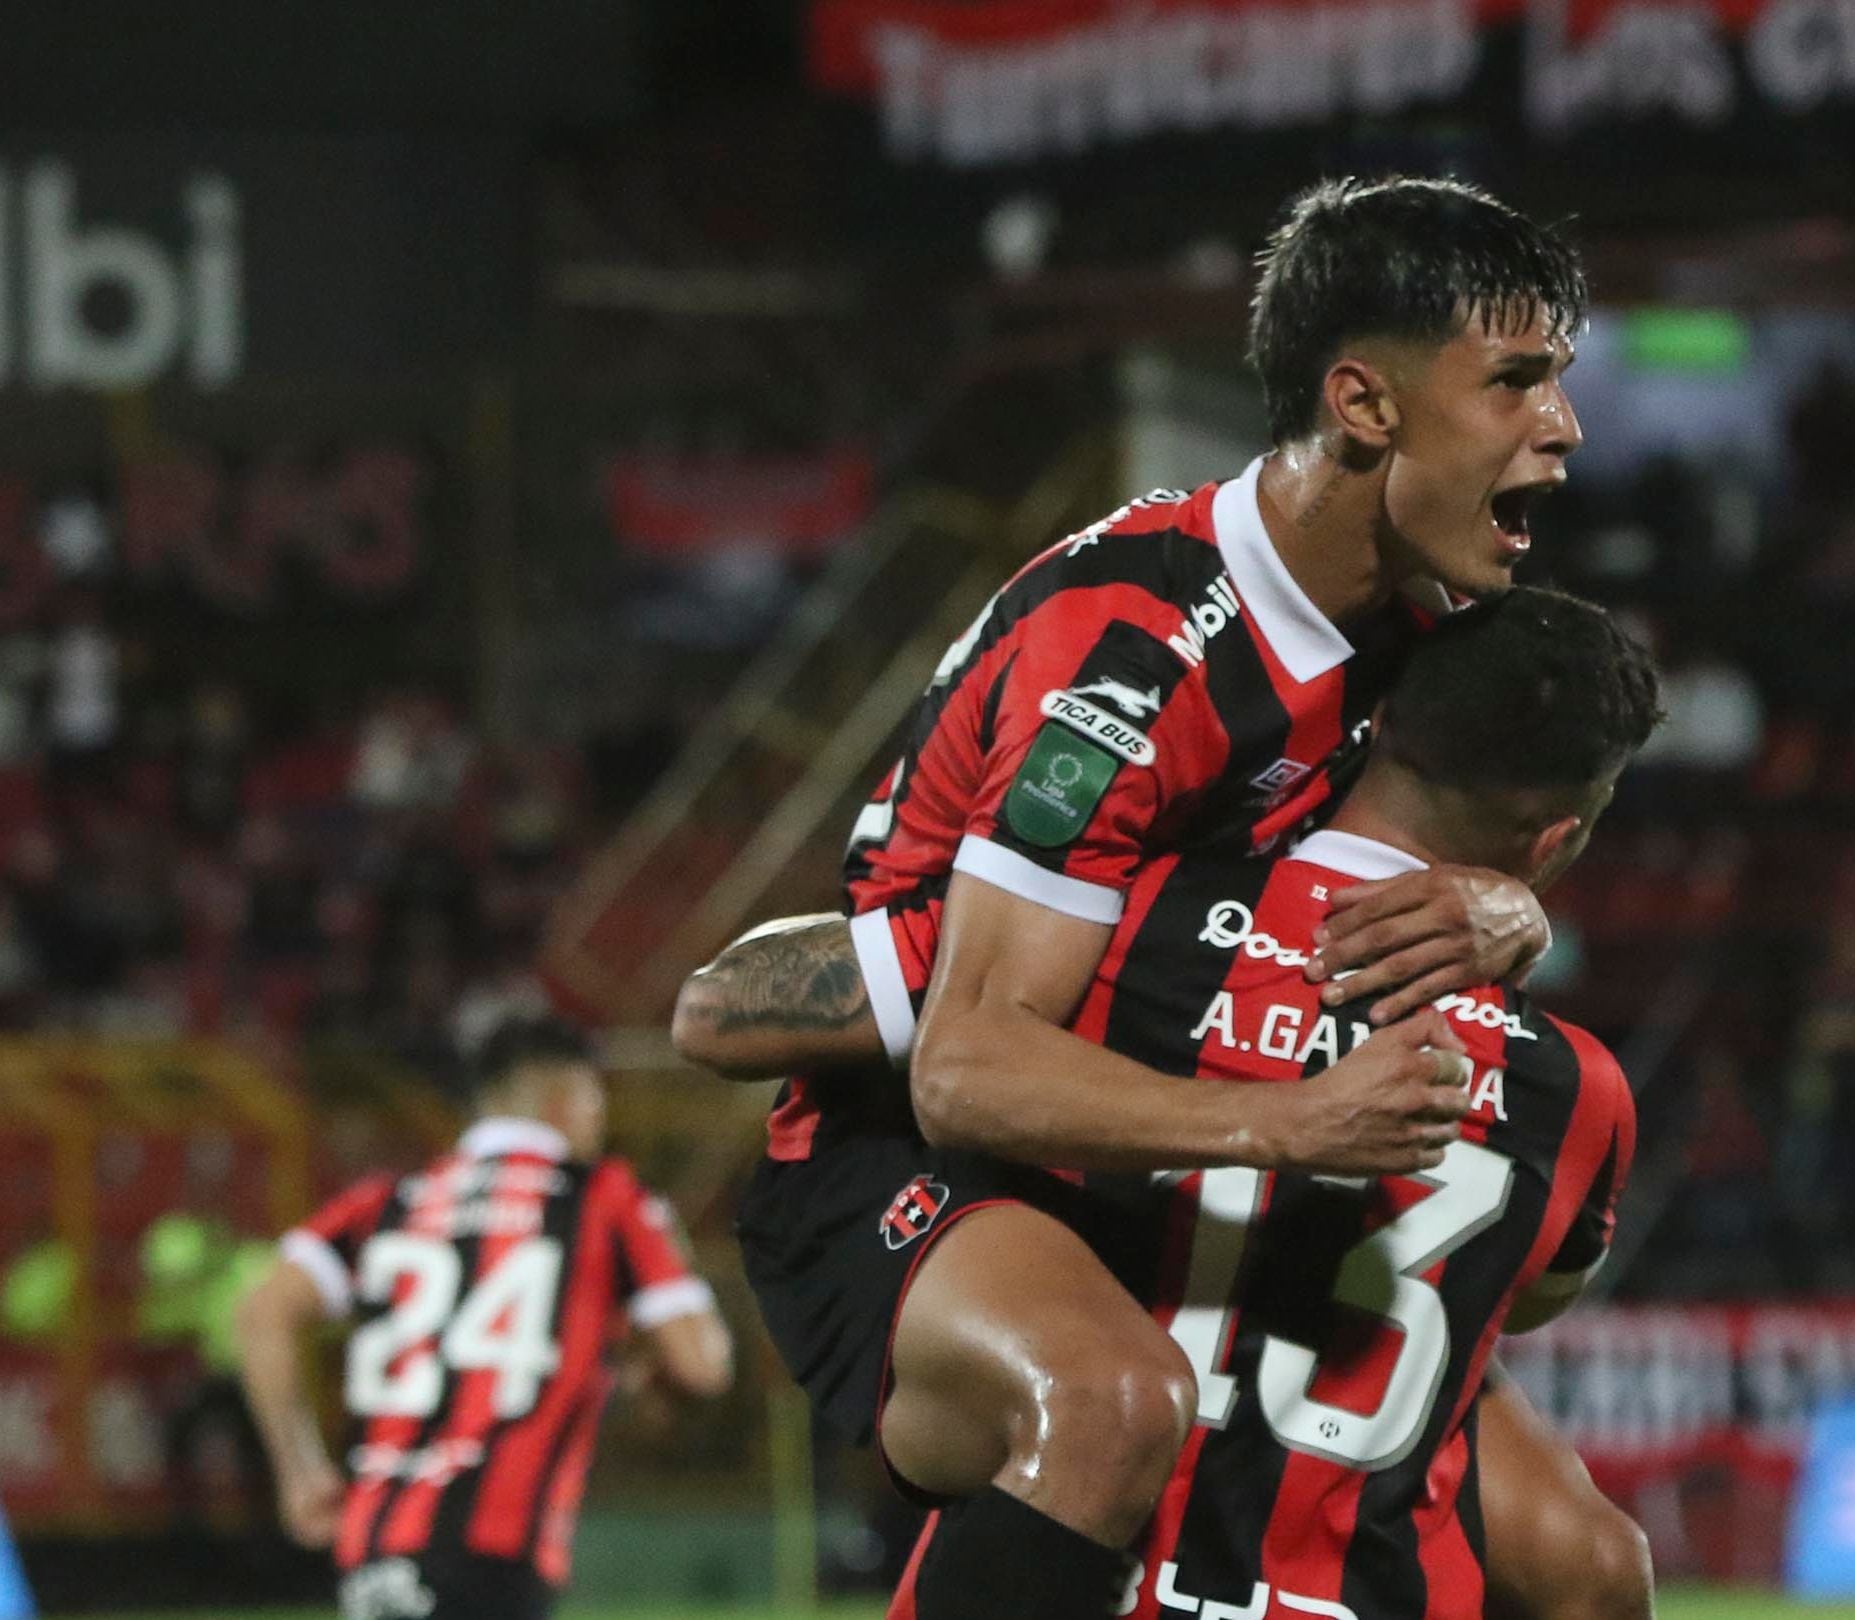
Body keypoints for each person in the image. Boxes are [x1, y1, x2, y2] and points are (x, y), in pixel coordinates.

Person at [675, 178, 1647, 1620]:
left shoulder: (1418, 620)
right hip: (916, 1160)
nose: (1561, 430)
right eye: (1514, 382)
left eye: (1557, 381)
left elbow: (1492, 811)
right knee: (1112, 1402)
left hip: (1167, 1096)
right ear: (1365, 404)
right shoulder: (1127, 666)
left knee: (1583, 1559)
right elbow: (964, 1065)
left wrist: (1509, 910)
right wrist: (1296, 1126)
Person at [888, 586, 1655, 1619]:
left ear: (1377, 723)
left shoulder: (1128, 926)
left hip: (1074, 1573)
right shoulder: (1577, 1094)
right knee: (1599, 1565)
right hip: (1339, 1597)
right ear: (1555, 838)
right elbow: (1526, 1296)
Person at [234, 1018, 732, 1620]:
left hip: (372, 1543)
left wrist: (299, 1470)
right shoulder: (605, 1198)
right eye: (596, 1097)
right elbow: (703, 1365)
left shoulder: (391, 1199)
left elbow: (261, 1312)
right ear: (565, 1098)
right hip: (497, 1545)